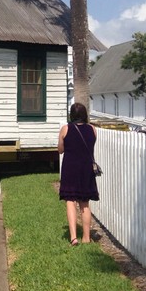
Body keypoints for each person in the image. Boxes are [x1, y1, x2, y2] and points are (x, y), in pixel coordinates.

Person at [57, 102, 99, 246]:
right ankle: (87, 237)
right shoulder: (92, 129)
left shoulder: (65, 129)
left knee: (70, 201)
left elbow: (60, 150)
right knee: (85, 203)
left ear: (72, 115)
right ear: (85, 115)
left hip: (70, 168)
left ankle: (74, 237)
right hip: (86, 168)